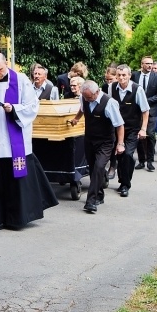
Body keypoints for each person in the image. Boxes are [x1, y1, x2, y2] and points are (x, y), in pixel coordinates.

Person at [0, 53, 58, 229]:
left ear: (6, 63)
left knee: (17, 181)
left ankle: (18, 219)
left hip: (16, 140)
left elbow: (32, 106)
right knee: (0, 181)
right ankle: (0, 219)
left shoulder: (21, 80)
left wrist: (13, 108)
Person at [69, 80, 125, 213]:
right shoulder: (84, 98)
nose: (87, 100)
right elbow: (82, 109)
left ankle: (91, 201)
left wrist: (120, 144)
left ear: (97, 92)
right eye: (85, 97)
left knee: (99, 167)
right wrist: (76, 119)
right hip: (89, 139)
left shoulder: (109, 103)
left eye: (89, 97)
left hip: (105, 142)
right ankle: (99, 195)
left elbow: (119, 125)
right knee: (94, 168)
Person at [107, 65, 148, 197]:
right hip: (116, 128)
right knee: (120, 155)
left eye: (124, 75)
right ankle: (122, 180)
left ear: (129, 76)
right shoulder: (111, 87)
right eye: (119, 75)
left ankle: (125, 184)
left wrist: (143, 129)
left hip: (132, 128)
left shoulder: (137, 89)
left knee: (128, 155)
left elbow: (145, 111)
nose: (121, 78)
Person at [132, 56, 157, 172]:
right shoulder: (134, 75)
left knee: (150, 135)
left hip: (151, 111)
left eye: (151, 63)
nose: (150, 66)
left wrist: (145, 101)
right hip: (137, 111)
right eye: (147, 63)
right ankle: (141, 160)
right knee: (139, 135)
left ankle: (150, 161)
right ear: (142, 64)